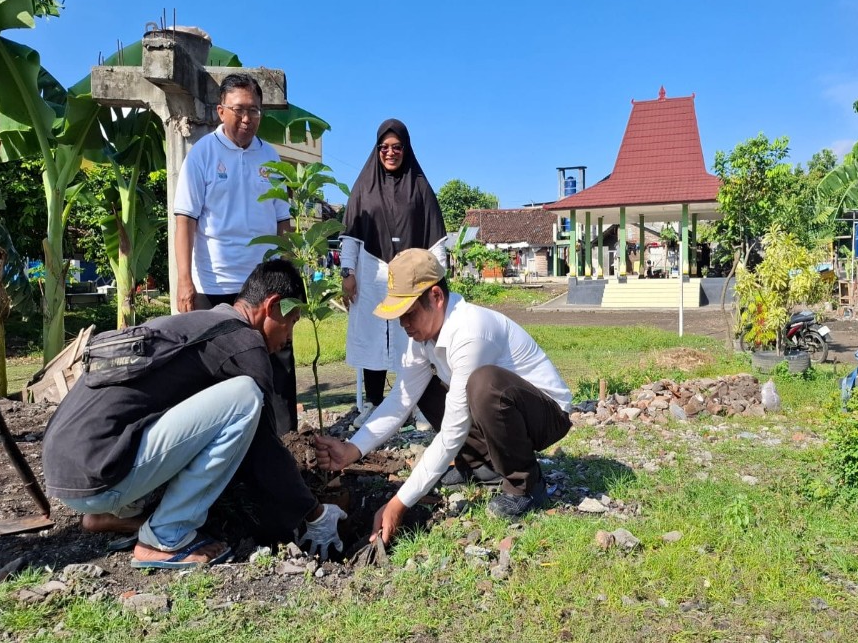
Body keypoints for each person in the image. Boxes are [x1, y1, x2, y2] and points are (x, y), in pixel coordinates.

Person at [42, 260, 345, 569]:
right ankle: (165, 538)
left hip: (67, 469)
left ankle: (115, 515)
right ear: (273, 306)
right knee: (244, 397)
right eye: (292, 321)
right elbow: (262, 447)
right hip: (100, 474)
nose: (290, 337)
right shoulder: (246, 345)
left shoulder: (200, 324)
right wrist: (312, 511)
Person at [315, 249, 572, 543]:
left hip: (546, 415)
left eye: (409, 313)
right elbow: (401, 400)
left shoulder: (470, 332)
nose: (404, 324)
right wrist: (353, 449)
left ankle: (525, 483)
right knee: (424, 390)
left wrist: (400, 502)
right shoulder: (423, 337)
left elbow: (453, 429)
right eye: (399, 317)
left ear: (436, 297)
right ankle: (481, 466)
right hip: (502, 412)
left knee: (482, 384)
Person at [173, 72, 298, 435]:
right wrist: (185, 282)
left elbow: (283, 222)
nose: (247, 119)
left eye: (255, 111)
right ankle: (222, 447)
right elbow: (186, 220)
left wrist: (288, 271)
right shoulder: (202, 155)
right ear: (221, 111)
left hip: (264, 283)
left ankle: (286, 443)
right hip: (216, 282)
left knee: (279, 361)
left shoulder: (271, 157)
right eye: (239, 110)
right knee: (216, 367)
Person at [339, 119, 446, 424]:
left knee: (411, 337)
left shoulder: (420, 186)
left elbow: (436, 237)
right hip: (372, 271)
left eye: (397, 147)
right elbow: (350, 236)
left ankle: (415, 405)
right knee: (374, 336)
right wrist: (348, 273)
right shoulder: (364, 186)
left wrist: (438, 278)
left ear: (406, 148)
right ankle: (374, 404)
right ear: (377, 150)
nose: (390, 152)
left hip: (411, 275)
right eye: (384, 147)